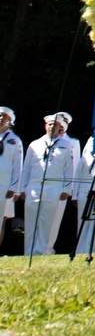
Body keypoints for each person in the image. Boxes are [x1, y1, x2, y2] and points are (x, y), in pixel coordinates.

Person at [20, 113, 75, 256]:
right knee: (31, 222)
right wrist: (22, 188)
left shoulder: (66, 145)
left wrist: (67, 189)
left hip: (54, 187)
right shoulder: (35, 144)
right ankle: (29, 252)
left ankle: (42, 251)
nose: (52, 127)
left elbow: (69, 169)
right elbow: (26, 168)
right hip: (34, 186)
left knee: (47, 223)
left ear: (60, 128)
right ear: (45, 126)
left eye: (55, 125)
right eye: (49, 124)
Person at [0, 107, 22, 254]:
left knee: (1, 218)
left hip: (4, 183)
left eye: (4, 117)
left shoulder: (14, 140)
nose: (1, 118)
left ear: (9, 121)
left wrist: (14, 187)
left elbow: (17, 164)